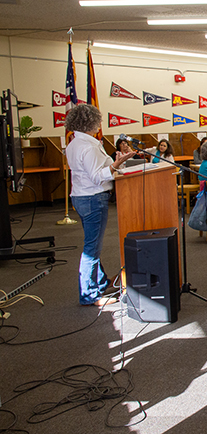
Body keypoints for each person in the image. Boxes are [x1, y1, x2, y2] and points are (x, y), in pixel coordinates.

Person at [65, 104, 135, 306]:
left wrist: (116, 164)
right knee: (91, 248)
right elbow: (97, 177)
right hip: (93, 198)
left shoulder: (75, 143)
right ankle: (89, 295)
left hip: (81, 197)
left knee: (92, 244)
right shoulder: (87, 146)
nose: (100, 124)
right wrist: (116, 164)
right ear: (90, 122)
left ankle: (100, 282)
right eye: (98, 121)